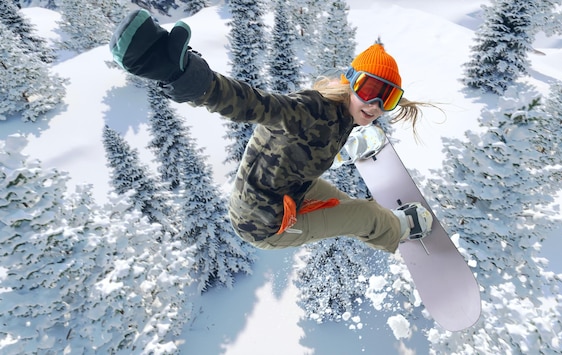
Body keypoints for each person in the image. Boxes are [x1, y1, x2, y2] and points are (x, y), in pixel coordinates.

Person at [110, 10, 433, 254]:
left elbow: (308, 151)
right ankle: (403, 228)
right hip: (266, 225)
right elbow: (255, 104)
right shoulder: (309, 110)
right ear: (350, 81)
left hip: (284, 193)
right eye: (369, 89)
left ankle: (380, 223)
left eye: (387, 97)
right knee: (367, 215)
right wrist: (189, 79)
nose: (375, 104)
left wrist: (349, 144)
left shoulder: (341, 113)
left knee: (347, 204)